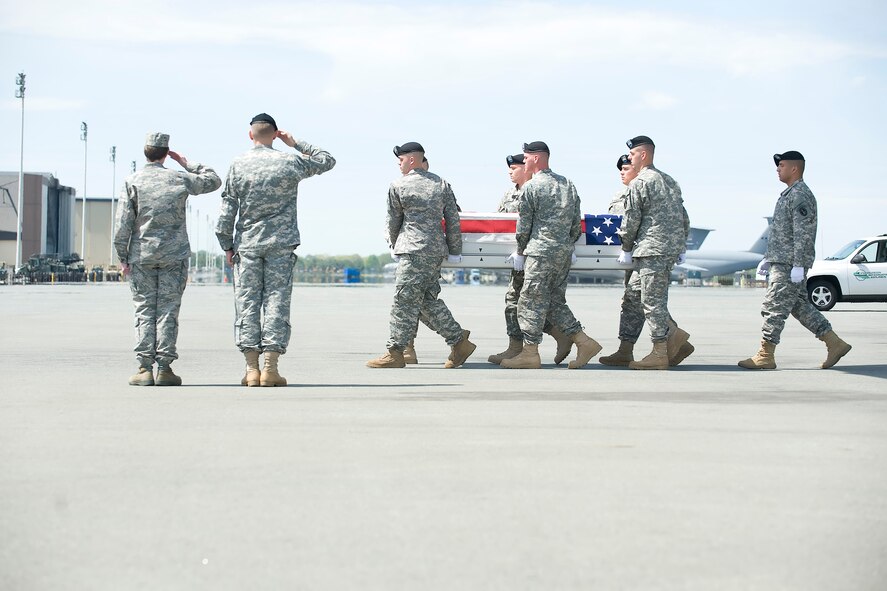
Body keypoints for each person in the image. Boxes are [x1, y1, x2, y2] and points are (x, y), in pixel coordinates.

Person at [216, 113, 335, 386]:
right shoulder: (289, 161)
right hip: (281, 244)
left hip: (247, 244)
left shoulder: (238, 164)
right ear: (275, 134)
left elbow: (227, 208)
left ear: (251, 135)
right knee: (276, 303)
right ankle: (270, 368)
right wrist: (295, 143)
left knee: (247, 304)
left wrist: (226, 244)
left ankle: (251, 370)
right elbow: (327, 160)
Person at [114, 132, 221, 386]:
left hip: (142, 255)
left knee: (144, 309)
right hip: (174, 255)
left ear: (146, 152)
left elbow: (122, 224)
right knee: (168, 311)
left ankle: (143, 369)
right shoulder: (179, 178)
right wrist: (185, 162)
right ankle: (164, 368)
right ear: (165, 153)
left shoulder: (133, 181)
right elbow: (214, 180)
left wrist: (122, 256)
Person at [367, 142, 476, 369]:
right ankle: (458, 341)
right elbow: (453, 219)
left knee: (404, 301)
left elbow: (393, 221)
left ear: (413, 160)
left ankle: (395, 352)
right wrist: (454, 250)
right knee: (425, 301)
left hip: (412, 249)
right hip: (435, 250)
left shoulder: (399, 185)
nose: (399, 164)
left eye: (402, 159)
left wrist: (394, 245)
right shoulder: (442, 184)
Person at [739, 151, 851, 369]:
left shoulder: (800, 195)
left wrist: (798, 264)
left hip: (790, 264)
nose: (777, 169)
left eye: (781, 165)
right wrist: (768, 258)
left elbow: (803, 233)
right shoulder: (788, 194)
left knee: (774, 306)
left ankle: (765, 354)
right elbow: (783, 232)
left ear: (794, 168)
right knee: (799, 307)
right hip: (782, 261)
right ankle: (834, 342)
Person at [501, 141, 601, 369]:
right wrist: (567, 243)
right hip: (563, 252)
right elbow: (576, 221)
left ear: (536, 158)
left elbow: (524, 225)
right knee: (554, 301)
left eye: (526, 158)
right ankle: (583, 342)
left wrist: (520, 251)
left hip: (540, 252)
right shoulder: (567, 184)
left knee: (529, 302)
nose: (524, 162)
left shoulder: (532, 187)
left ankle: (530, 353)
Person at [600, 154, 694, 367]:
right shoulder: (660, 185)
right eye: (621, 169)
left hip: (647, 251)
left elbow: (632, 219)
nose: (623, 172)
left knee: (651, 299)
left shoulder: (645, 185)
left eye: (627, 167)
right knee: (633, 298)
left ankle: (665, 346)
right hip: (643, 252)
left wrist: (626, 247)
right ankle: (626, 349)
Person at [488, 154, 572, 365]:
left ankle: (548, 339)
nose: (511, 172)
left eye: (515, 168)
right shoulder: (509, 194)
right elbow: (497, 222)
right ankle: (517, 347)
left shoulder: (540, 189)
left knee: (528, 302)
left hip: (534, 254)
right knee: (515, 302)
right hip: (520, 256)